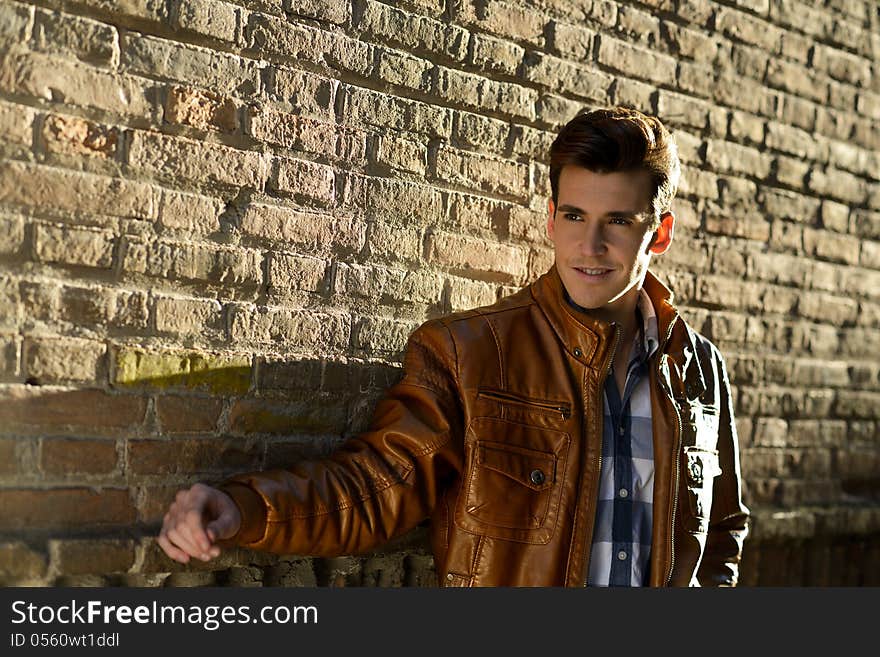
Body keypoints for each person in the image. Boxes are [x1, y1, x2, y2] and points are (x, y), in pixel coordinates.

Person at [158, 106, 750, 587]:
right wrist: (243, 509)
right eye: (574, 215)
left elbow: (721, 530)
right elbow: (375, 487)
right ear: (550, 219)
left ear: (660, 232)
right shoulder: (471, 351)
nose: (589, 245)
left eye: (618, 221)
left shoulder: (698, 370)